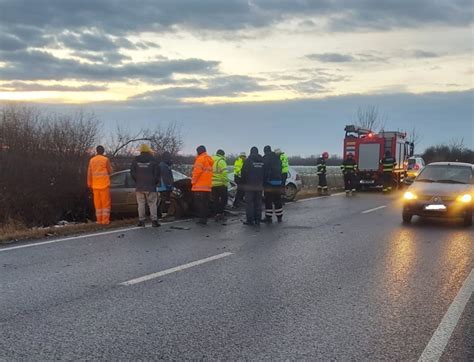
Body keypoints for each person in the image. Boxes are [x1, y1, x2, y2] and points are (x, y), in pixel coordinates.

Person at [130, 144, 161, 227]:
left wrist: (137, 181)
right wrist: (154, 182)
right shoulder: (153, 160)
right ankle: (154, 221)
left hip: (139, 186)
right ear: (148, 150)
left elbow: (132, 173)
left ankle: (141, 221)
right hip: (151, 186)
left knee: (141, 204)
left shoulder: (135, 160)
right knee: (152, 203)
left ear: (141, 151)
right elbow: (157, 173)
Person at [87, 145, 112, 225]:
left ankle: (99, 220)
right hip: (104, 185)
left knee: (97, 204)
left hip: (95, 186)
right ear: (103, 151)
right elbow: (110, 171)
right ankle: (105, 221)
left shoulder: (92, 160)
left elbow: (89, 173)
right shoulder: (105, 160)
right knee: (105, 204)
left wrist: (89, 183)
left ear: (96, 151)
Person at [241, 147, 265, 226]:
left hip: (249, 186)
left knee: (249, 204)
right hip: (259, 185)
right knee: (258, 203)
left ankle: (250, 220)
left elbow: (243, 173)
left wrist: (243, 183)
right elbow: (265, 173)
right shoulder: (262, 161)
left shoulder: (248, 161)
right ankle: (258, 220)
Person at [192, 145, 214, 225]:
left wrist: (193, 181)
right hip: (207, 187)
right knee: (205, 204)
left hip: (199, 187)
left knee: (199, 204)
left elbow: (197, 172)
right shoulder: (209, 160)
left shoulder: (200, 159)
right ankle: (204, 218)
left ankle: (202, 219)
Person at [263, 145, 283, 223]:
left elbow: (264, 171)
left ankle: (268, 217)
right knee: (278, 200)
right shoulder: (277, 158)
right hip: (278, 182)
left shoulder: (266, 158)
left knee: (268, 200)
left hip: (269, 183)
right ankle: (279, 217)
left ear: (265, 151)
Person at [212, 149, 228, 222]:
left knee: (215, 200)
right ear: (223, 154)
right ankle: (221, 213)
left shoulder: (211, 161)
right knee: (224, 199)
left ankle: (216, 214)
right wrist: (225, 183)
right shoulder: (221, 161)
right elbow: (224, 174)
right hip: (221, 184)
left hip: (213, 184)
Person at [158, 151, 174, 217]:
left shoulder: (164, 165)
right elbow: (166, 177)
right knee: (165, 201)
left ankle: (165, 214)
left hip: (164, 186)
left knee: (166, 201)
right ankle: (164, 215)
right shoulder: (163, 166)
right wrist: (169, 185)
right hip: (164, 187)